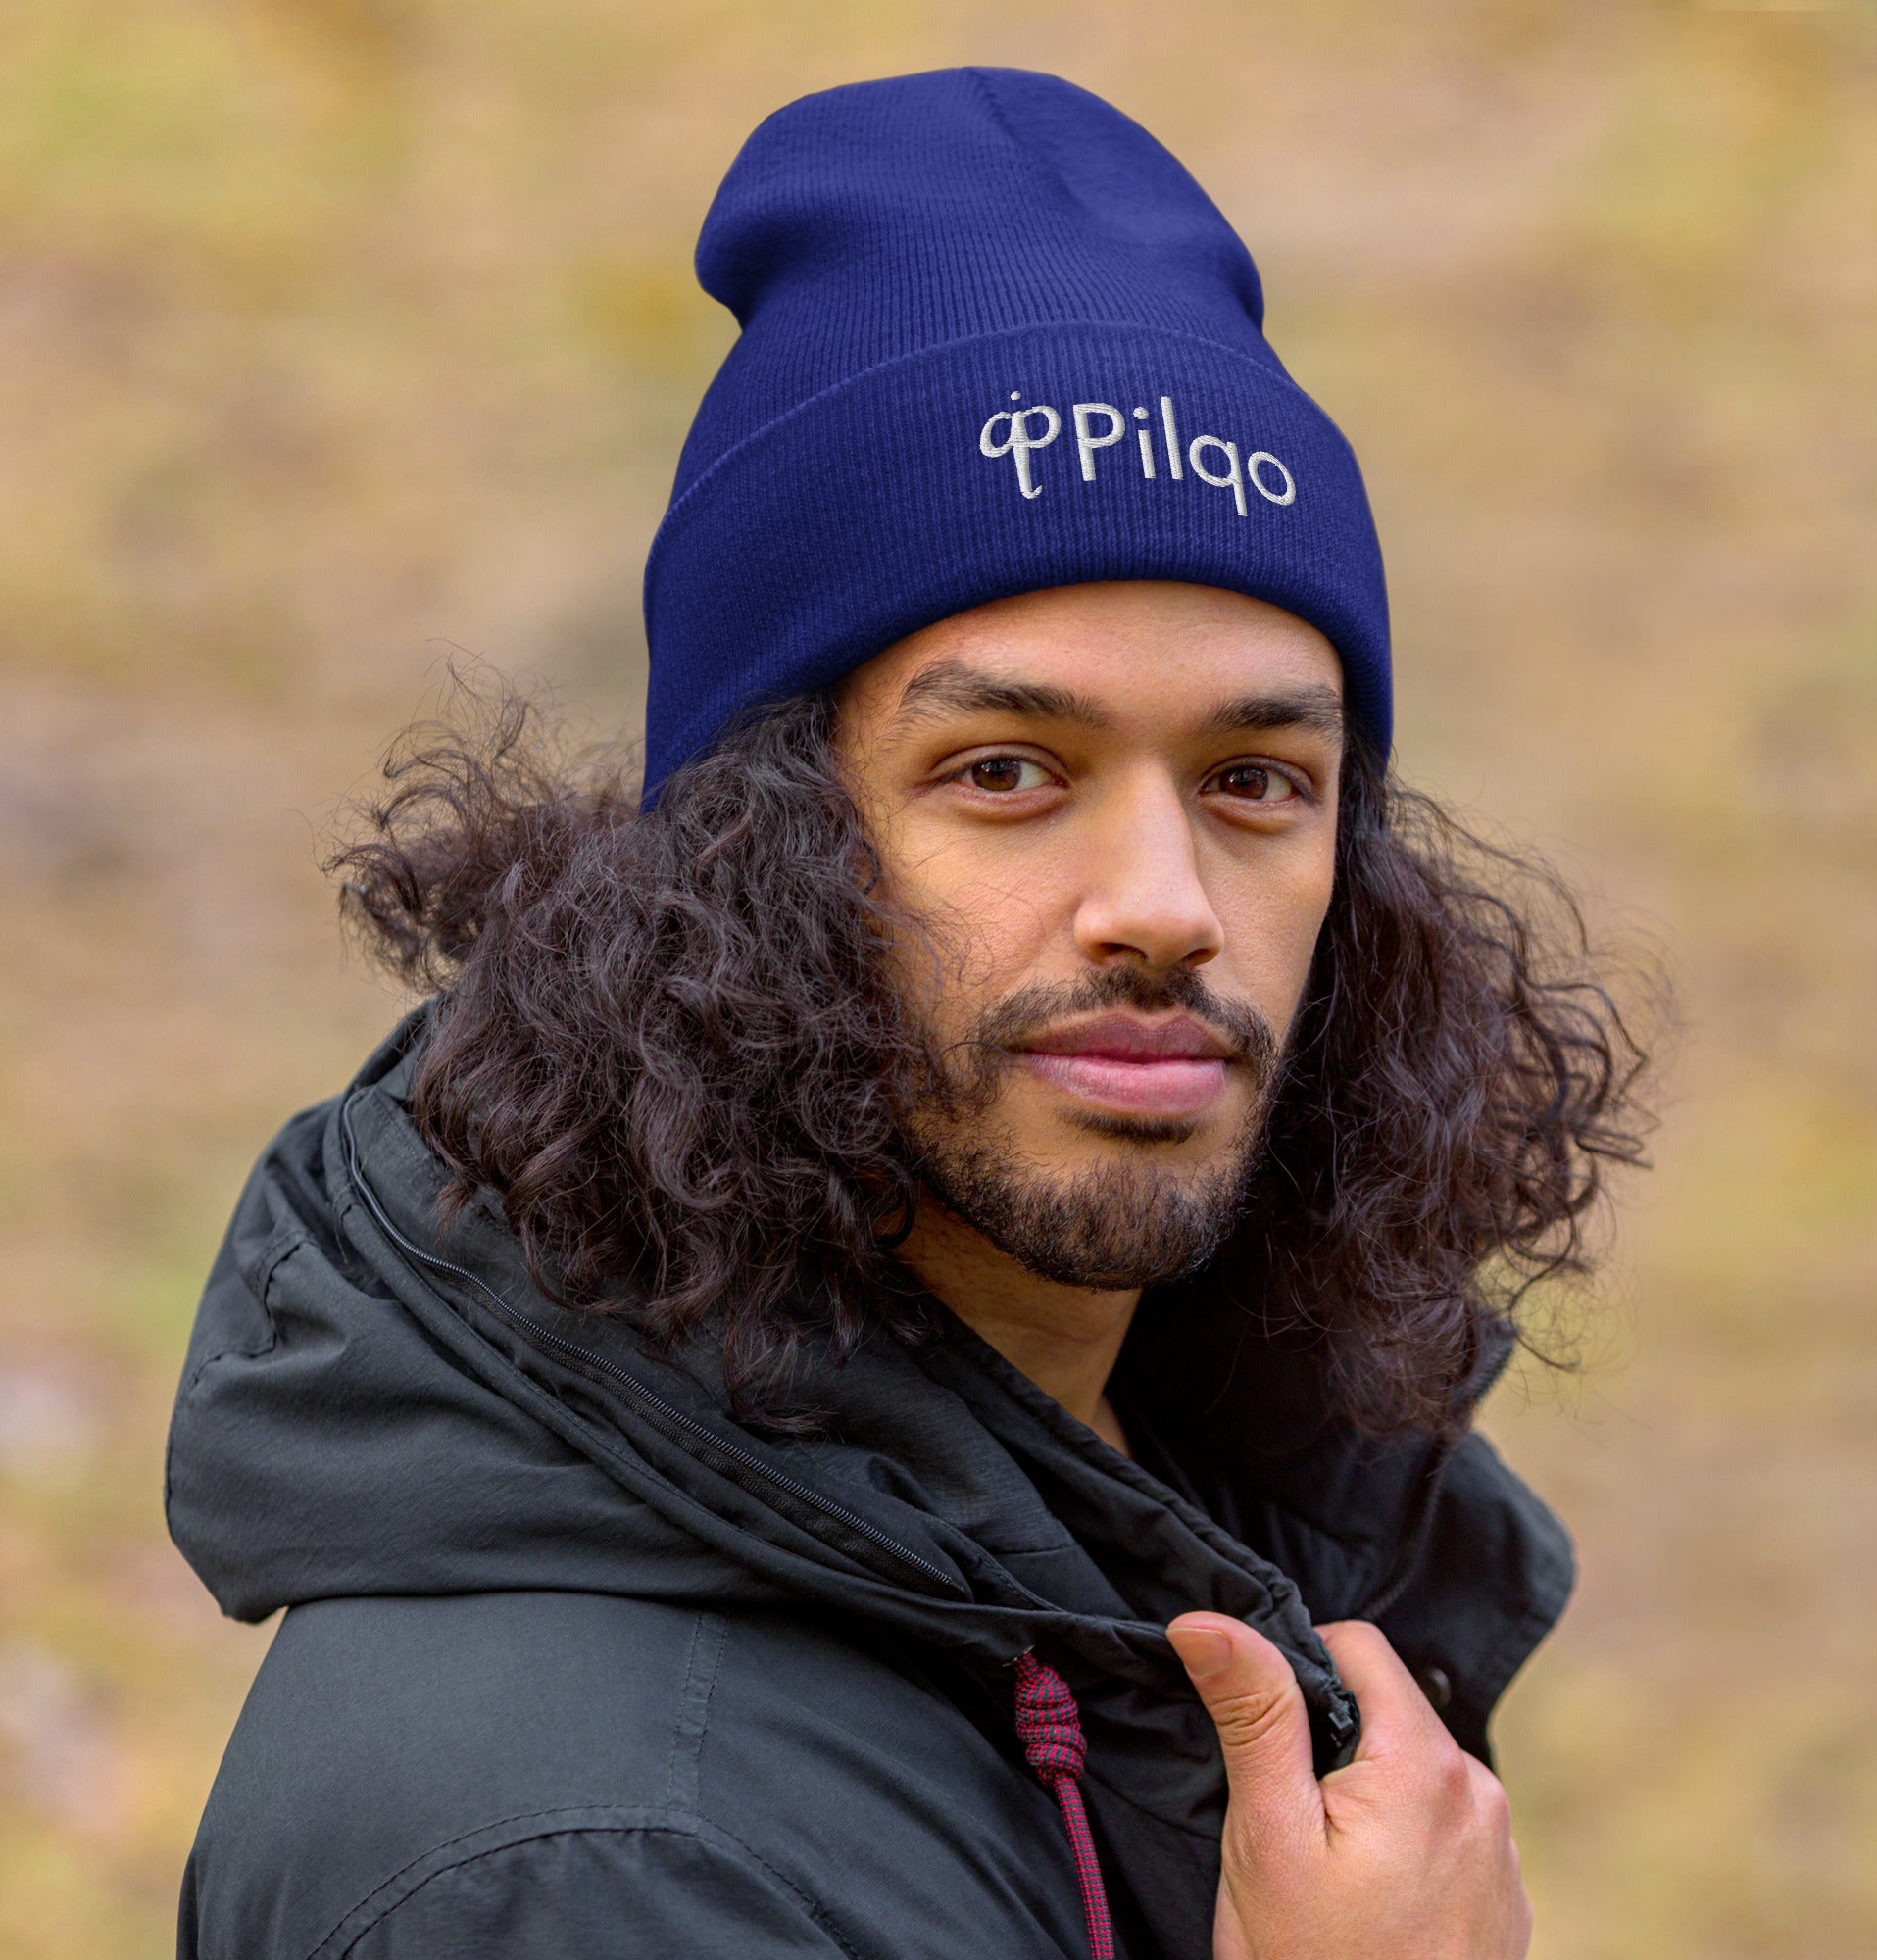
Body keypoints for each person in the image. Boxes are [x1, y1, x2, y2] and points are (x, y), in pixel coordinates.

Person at [169, 68, 1651, 1960]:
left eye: (1256, 780)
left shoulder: (1177, 1502)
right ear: (752, 855)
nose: (1166, 910)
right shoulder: (591, 1860)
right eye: (1008, 771)